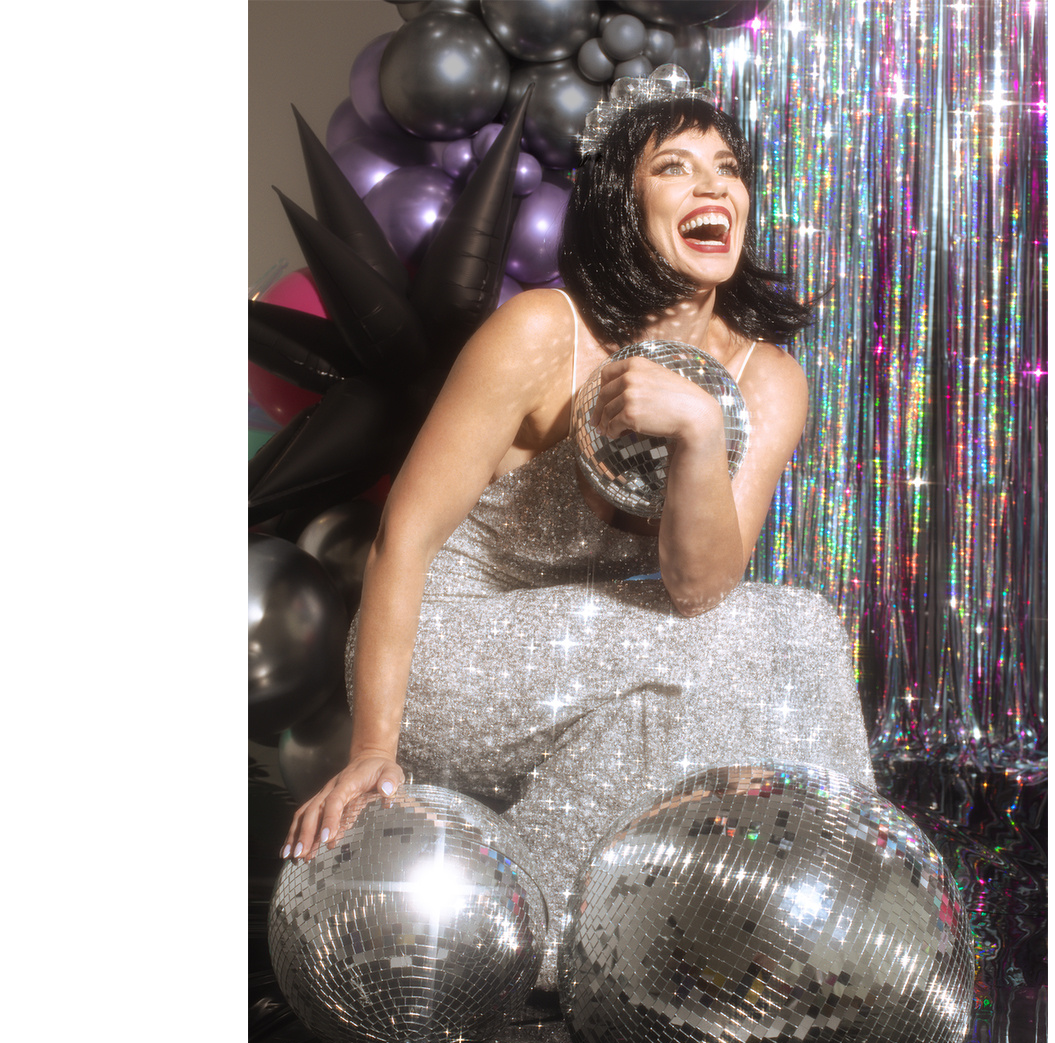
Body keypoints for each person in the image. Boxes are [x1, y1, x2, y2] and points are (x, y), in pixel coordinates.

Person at [281, 78, 872, 981]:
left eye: (727, 168)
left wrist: (699, 430)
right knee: (732, 643)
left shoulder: (767, 379)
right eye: (674, 167)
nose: (712, 185)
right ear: (622, 203)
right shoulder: (541, 331)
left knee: (796, 627)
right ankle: (540, 937)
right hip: (445, 651)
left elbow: (700, 588)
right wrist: (372, 751)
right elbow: (404, 538)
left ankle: (816, 920)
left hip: (586, 669)